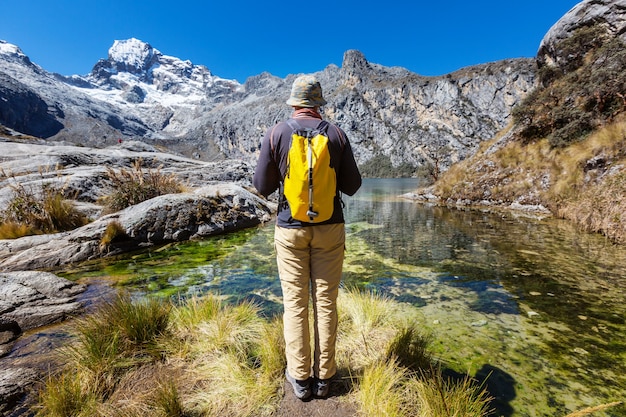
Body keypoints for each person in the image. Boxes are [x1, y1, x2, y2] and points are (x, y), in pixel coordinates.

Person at [253, 75, 362, 400]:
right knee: (326, 303)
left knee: (296, 304)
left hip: (290, 229)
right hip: (330, 228)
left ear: (294, 103)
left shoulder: (276, 133)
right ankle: (325, 378)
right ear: (318, 104)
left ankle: (300, 379)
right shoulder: (336, 134)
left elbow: (262, 187)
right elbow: (353, 186)